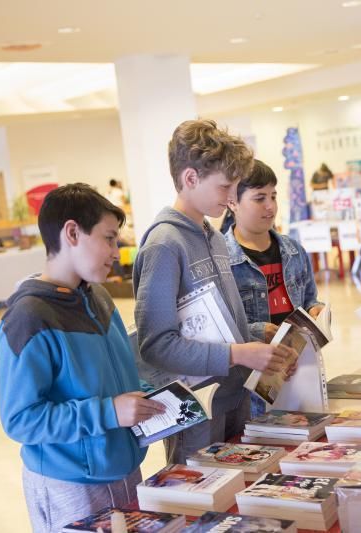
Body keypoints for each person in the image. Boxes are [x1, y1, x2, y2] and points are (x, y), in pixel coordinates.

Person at [0, 183, 166, 533]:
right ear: (72, 232)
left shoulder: (99, 297)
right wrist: (108, 412)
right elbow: (21, 419)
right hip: (70, 484)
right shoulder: (28, 317)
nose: (116, 252)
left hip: (125, 469)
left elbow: (119, 376)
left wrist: (149, 396)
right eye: (109, 239)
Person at [133, 120, 296, 463]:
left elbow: (217, 325)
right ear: (190, 178)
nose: (232, 197)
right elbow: (156, 345)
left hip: (234, 397)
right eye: (225, 187)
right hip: (197, 410)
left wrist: (257, 342)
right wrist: (237, 354)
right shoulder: (164, 245)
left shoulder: (212, 235)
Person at [223, 159, 324, 417]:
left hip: (300, 370)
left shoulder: (293, 251)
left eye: (273, 196)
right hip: (251, 384)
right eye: (259, 198)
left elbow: (310, 299)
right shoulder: (221, 261)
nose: (270, 207)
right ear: (233, 202)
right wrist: (258, 331)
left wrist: (317, 312)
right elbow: (221, 329)